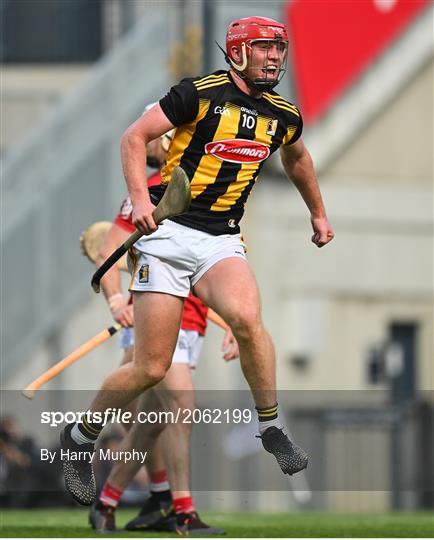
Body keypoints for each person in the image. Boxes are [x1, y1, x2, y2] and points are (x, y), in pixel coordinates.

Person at [61, 15, 334, 511]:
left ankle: (270, 427)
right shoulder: (196, 94)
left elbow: (297, 160)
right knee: (148, 368)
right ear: (237, 52)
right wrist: (140, 199)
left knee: (249, 321)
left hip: (220, 239)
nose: (275, 57)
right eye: (263, 48)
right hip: (168, 235)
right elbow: (132, 138)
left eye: (279, 48)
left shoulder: (282, 113)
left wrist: (317, 212)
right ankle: (79, 439)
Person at [87, 129, 237, 534]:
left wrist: (238, 325)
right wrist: (117, 301)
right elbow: (109, 253)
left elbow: (227, 269)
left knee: (151, 422)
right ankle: (182, 510)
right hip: (159, 324)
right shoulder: (149, 192)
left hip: (195, 324)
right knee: (181, 409)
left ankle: (107, 503)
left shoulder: (220, 192)